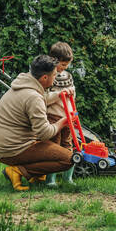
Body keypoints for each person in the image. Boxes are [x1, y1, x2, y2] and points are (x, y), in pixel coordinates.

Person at [0, 54, 73, 191]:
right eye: (54, 75)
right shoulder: (33, 97)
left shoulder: (24, 86)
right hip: (15, 149)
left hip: (4, 145)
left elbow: (40, 101)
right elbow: (45, 133)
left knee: (53, 149)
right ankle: (17, 171)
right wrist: (63, 122)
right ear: (44, 78)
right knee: (69, 159)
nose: (55, 78)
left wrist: (58, 95)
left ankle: (36, 175)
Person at [45, 42, 76, 186]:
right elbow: (44, 99)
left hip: (68, 117)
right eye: (62, 65)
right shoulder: (48, 76)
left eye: (66, 65)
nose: (64, 68)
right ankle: (50, 179)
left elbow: (72, 95)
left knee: (68, 144)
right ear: (53, 60)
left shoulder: (67, 76)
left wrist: (71, 95)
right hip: (53, 117)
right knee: (54, 147)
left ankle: (67, 178)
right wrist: (59, 94)